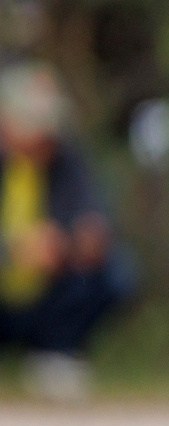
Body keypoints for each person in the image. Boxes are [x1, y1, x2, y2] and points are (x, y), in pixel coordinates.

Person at [0, 61, 134, 398]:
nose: (42, 136)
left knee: (118, 271)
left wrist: (76, 243)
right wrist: (16, 250)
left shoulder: (67, 159)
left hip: (45, 295)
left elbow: (93, 221)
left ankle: (55, 354)